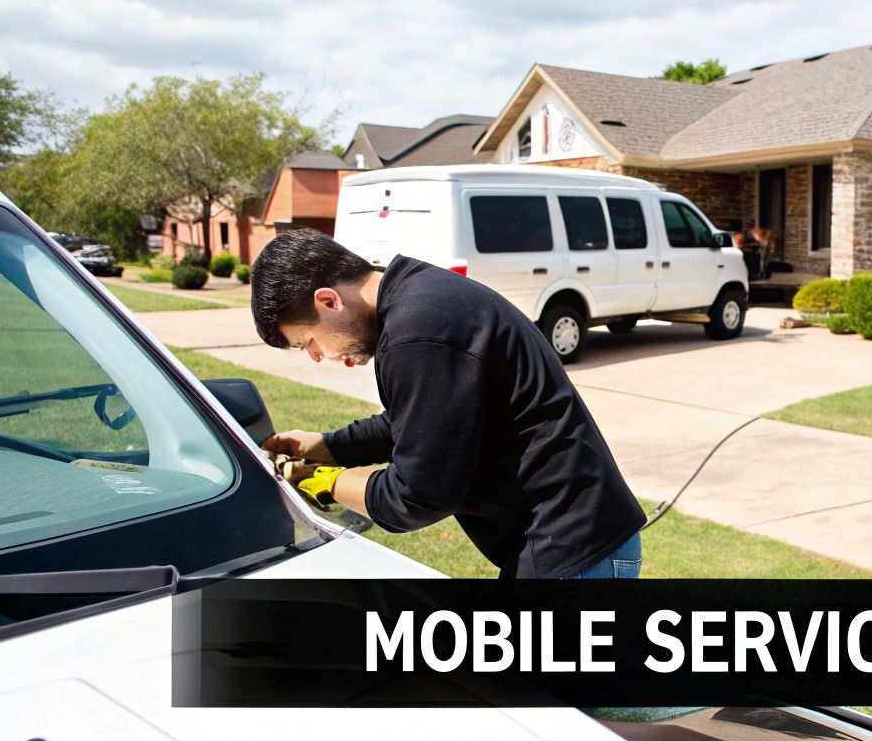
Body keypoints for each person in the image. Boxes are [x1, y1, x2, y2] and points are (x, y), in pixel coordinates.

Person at [248, 229, 644, 580]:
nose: (318, 356)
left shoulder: (418, 332)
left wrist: (326, 482)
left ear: (329, 301)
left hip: (571, 552)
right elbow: (423, 423)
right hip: (578, 539)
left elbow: (418, 495)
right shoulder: (420, 297)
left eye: (308, 342)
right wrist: (327, 444)